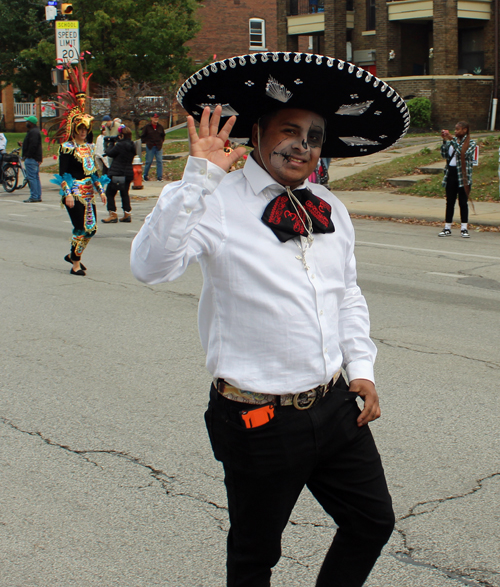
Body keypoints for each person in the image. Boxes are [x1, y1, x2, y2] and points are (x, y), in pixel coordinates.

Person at [131, 52, 409, 587]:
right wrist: (199, 177)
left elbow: (346, 293)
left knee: (372, 521)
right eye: (289, 130)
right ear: (257, 133)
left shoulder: (330, 206)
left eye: (314, 135)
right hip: (259, 420)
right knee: (256, 556)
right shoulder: (213, 201)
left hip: (334, 406)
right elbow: (150, 268)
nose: (303, 146)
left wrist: (362, 367)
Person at [50, 61, 108, 276]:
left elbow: (93, 171)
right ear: (74, 129)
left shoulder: (89, 147)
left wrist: (100, 190)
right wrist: (67, 194)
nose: (84, 132)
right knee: (80, 229)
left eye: (86, 129)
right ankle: (76, 264)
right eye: (80, 129)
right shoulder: (66, 148)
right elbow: (63, 173)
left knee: (91, 230)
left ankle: (73, 255)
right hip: (74, 193)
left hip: (88, 193)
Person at [438, 121, 476, 238]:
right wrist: (445, 140)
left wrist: (452, 140)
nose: (455, 132)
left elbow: (461, 153)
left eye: (458, 129)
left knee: (463, 203)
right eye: (455, 129)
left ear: (465, 130)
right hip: (451, 174)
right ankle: (447, 227)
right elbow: (444, 155)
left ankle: (464, 228)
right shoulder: (452, 142)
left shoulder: (471, 143)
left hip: (463, 176)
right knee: (450, 202)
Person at [102, 124, 135, 223]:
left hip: (118, 173)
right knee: (124, 193)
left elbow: (110, 153)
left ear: (121, 135)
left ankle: (112, 214)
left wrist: (111, 143)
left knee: (110, 193)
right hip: (128, 172)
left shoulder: (120, 145)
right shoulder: (132, 145)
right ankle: (127, 213)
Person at [19, 116, 43, 202]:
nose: (26, 123)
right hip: (35, 158)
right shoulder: (35, 132)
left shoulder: (33, 132)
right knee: (35, 177)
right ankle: (37, 195)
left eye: (27, 121)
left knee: (32, 178)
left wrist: (27, 155)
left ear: (31, 123)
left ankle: (34, 196)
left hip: (32, 158)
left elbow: (33, 145)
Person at [140, 113, 165, 181]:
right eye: (154, 117)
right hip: (150, 147)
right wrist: (148, 142)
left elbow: (163, 135)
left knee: (159, 161)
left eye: (157, 117)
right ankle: (145, 175)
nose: (156, 119)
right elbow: (142, 136)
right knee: (149, 161)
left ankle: (159, 177)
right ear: (151, 118)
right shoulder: (147, 127)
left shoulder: (160, 127)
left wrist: (161, 142)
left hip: (158, 146)